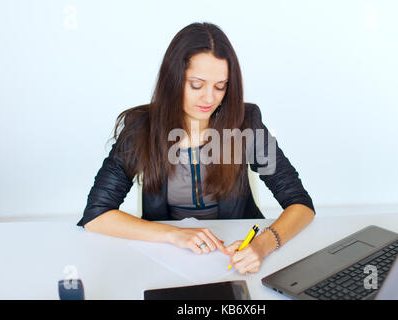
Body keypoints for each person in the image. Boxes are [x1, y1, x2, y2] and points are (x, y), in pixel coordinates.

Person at [77, 22, 315, 275]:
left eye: (220, 86)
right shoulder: (141, 128)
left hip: (235, 255)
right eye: (197, 85)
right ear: (173, 81)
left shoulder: (247, 123)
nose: (210, 98)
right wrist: (173, 234)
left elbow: (301, 205)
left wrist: (261, 245)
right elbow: (96, 216)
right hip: (166, 258)